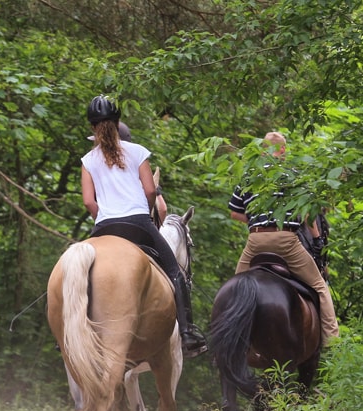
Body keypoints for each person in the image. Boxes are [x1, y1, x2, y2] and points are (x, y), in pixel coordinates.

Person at [81, 94, 207, 358]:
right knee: (174, 270)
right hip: (138, 223)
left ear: (93, 127)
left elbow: (88, 202)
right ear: (117, 122)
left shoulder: (88, 160)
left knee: (80, 271)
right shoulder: (138, 152)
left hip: (105, 226)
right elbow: (150, 190)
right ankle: (187, 333)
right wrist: (144, 211)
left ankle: (71, 330)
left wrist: (102, 218)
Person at [229, 131, 340, 346]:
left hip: (256, 242)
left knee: (235, 288)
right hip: (287, 242)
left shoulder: (250, 176)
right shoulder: (294, 175)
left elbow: (234, 212)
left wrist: (255, 221)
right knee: (319, 286)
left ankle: (229, 343)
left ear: (263, 150)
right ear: (283, 150)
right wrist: (317, 240)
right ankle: (332, 344)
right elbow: (308, 214)